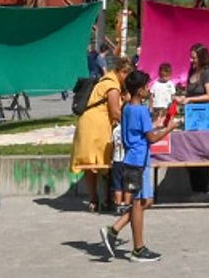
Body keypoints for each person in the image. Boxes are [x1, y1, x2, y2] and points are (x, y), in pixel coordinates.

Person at [101, 71, 181, 263]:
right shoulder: (141, 110)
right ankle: (138, 248)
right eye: (146, 87)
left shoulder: (127, 108)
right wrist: (169, 128)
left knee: (146, 202)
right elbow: (151, 138)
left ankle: (113, 230)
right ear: (139, 90)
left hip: (133, 159)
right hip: (138, 162)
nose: (148, 90)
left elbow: (138, 130)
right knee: (138, 203)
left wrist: (155, 124)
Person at [72, 54, 131, 212]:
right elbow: (115, 112)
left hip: (87, 124)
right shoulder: (112, 85)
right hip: (96, 127)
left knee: (91, 165)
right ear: (123, 73)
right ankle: (105, 199)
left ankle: (94, 199)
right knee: (103, 163)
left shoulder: (105, 80)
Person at [180, 43, 209, 193]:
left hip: (203, 118)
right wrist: (182, 98)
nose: (191, 60)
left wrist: (191, 100)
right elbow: (189, 93)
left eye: (194, 57)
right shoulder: (191, 72)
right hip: (191, 117)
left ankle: (203, 185)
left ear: (202, 58)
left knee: (200, 151)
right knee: (190, 150)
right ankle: (196, 185)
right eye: (191, 57)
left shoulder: (207, 72)